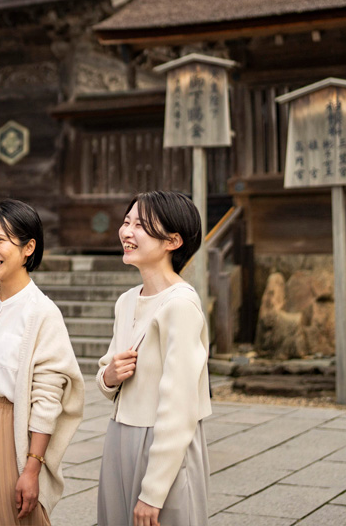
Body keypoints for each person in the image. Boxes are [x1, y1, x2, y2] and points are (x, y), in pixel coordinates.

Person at [0, 199, 84, 526]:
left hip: (9, 431)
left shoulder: (42, 312)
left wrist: (32, 469)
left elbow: (48, 399)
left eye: (0, 240)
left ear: (28, 248)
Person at [97, 190, 210, 526]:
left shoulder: (180, 305)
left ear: (172, 241)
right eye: (126, 222)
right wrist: (109, 376)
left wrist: (154, 491)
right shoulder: (127, 301)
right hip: (119, 435)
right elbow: (107, 371)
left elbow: (180, 407)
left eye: (141, 225)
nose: (127, 232)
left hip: (164, 444)